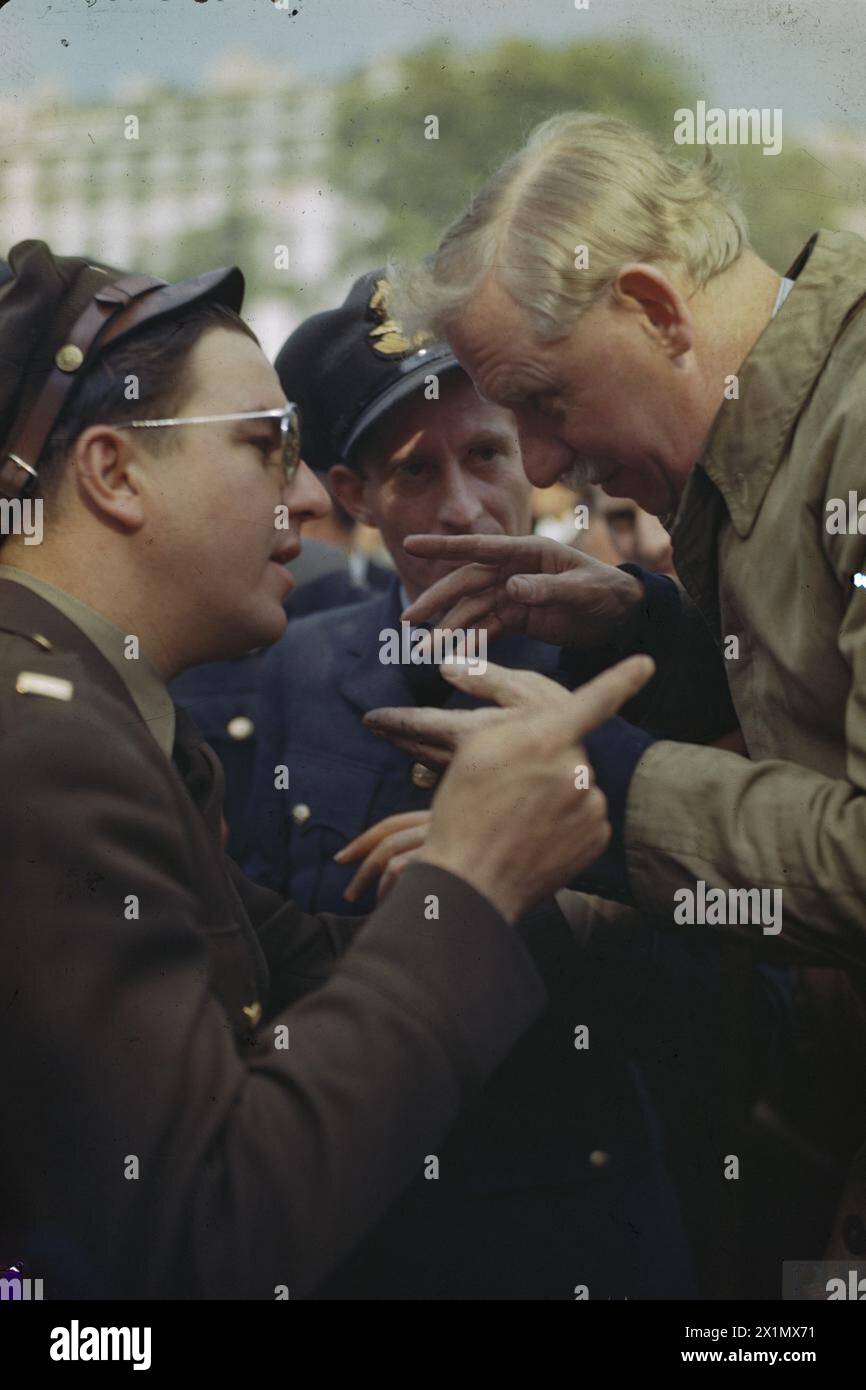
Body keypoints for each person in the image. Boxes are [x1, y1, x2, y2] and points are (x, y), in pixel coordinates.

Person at [0, 237, 651, 1298]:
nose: (307, 499)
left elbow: (293, 965)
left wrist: (518, 891)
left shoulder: (89, 715)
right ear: (114, 473)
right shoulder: (50, 747)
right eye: (264, 447)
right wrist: (472, 879)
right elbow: (209, 1232)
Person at [380, 110, 866, 1265]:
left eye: (544, 402)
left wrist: (601, 783)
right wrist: (655, 625)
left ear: (652, 308)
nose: (541, 465)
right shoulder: (783, 436)